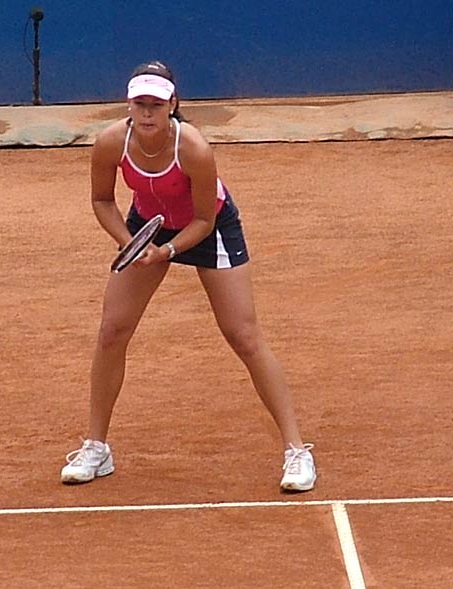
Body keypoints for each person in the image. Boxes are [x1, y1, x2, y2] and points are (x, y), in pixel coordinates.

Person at [61, 61, 316, 492]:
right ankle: (96, 447)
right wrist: (132, 243)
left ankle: (297, 451)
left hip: (208, 228)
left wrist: (167, 251)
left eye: (156, 105)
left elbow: (202, 217)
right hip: (149, 224)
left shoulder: (194, 148)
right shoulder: (110, 144)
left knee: (243, 335)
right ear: (129, 106)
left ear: (172, 105)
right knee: (112, 331)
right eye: (140, 104)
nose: (147, 114)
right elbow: (102, 200)